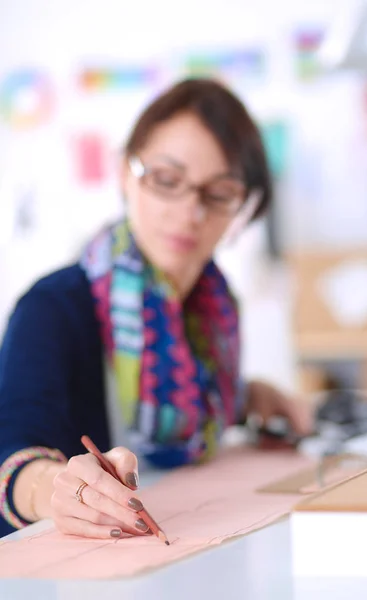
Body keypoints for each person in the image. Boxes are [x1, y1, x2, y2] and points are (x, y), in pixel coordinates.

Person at [0, 78, 311, 539]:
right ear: (127, 174)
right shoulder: (52, 308)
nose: (190, 211)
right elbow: (11, 455)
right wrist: (53, 489)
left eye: (219, 192)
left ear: (239, 208)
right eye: (167, 180)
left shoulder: (213, 315)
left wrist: (242, 398)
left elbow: (185, 397)